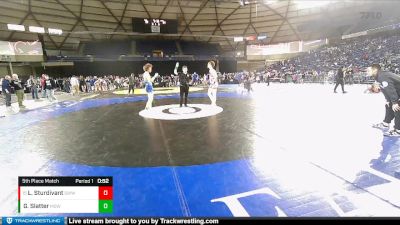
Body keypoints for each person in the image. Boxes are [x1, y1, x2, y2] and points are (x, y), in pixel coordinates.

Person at [369, 64, 400, 137]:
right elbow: (386, 91)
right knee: (388, 105)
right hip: (398, 93)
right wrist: (388, 100)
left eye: (369, 70)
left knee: (397, 108)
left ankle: (398, 130)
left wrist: (395, 102)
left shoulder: (382, 76)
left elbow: (390, 90)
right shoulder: (378, 77)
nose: (367, 71)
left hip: (397, 93)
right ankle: (386, 123)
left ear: (375, 70)